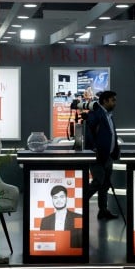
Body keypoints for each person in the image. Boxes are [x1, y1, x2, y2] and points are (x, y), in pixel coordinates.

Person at [83, 90, 120, 220]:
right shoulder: (95, 114)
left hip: (108, 156)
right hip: (97, 156)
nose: (115, 102)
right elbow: (88, 133)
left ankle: (103, 211)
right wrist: (93, 149)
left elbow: (111, 133)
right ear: (105, 101)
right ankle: (78, 204)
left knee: (105, 184)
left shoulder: (109, 115)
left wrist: (114, 150)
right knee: (98, 181)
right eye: (113, 100)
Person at [39, 184, 82, 248]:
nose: (58, 200)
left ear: (66, 198)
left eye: (61, 197)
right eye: (55, 197)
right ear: (52, 200)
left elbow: (81, 243)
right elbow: (43, 245)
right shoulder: (45, 221)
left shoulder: (78, 218)